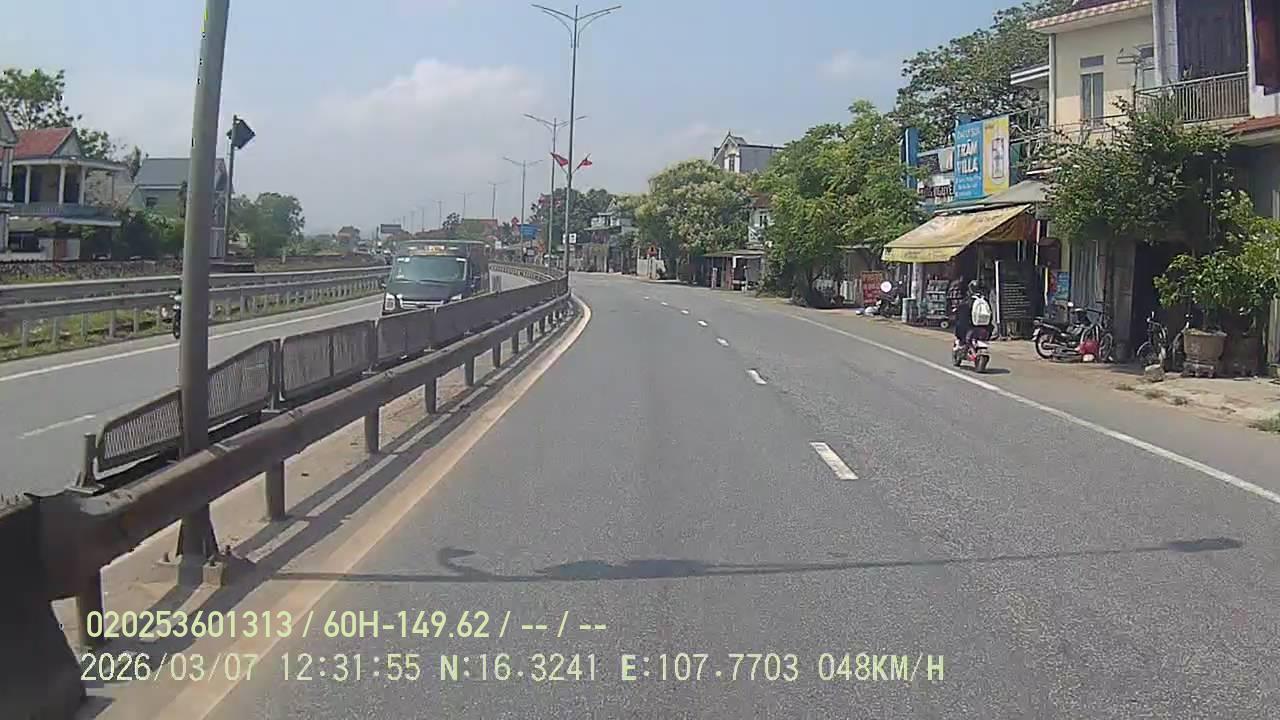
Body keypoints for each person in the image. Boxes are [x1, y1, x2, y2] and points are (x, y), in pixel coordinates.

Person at [954, 280, 993, 350]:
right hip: (985, 329)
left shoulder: (968, 300)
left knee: (960, 326)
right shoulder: (985, 300)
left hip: (971, 329)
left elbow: (962, 316)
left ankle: (962, 345)